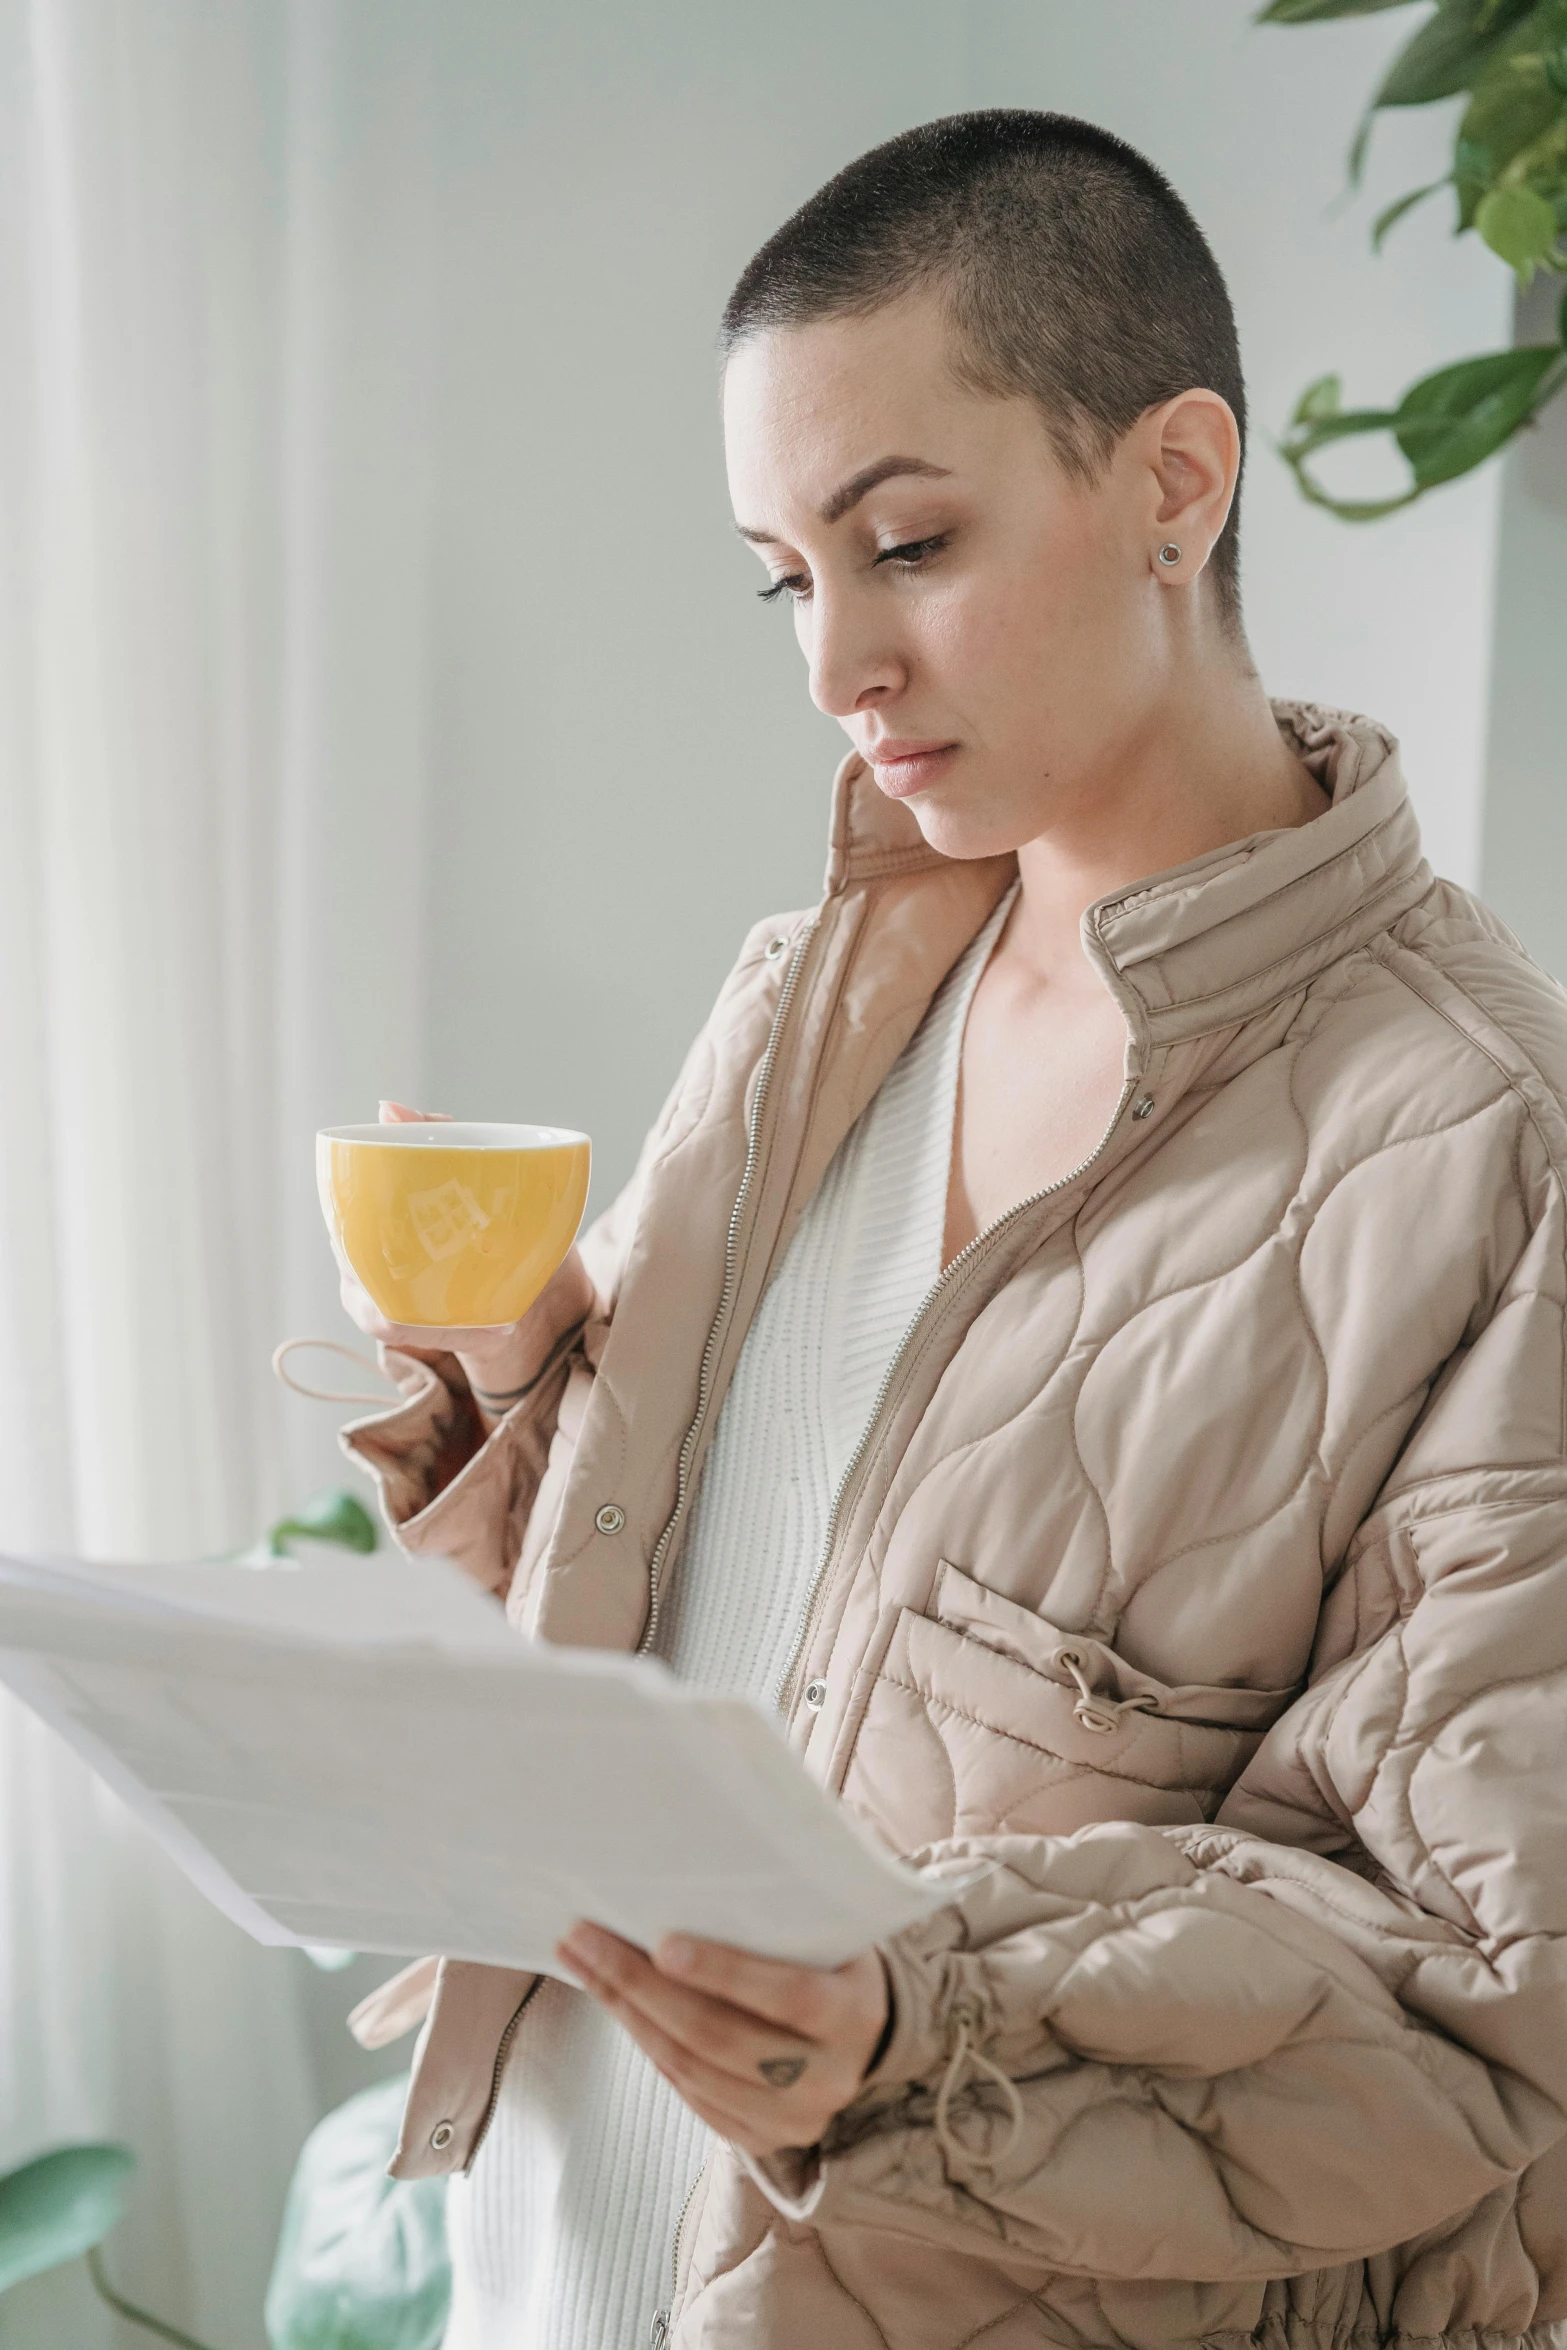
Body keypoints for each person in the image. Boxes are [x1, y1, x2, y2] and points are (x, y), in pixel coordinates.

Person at [334, 111, 1567, 2350]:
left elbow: (1488, 1986)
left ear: (1175, 485)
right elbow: (657, 1660)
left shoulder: (1488, 1149)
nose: (834, 665)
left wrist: (921, 2018)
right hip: (538, 2277)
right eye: (786, 577)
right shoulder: (801, 1001)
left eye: (904, 542)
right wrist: (521, 1377)